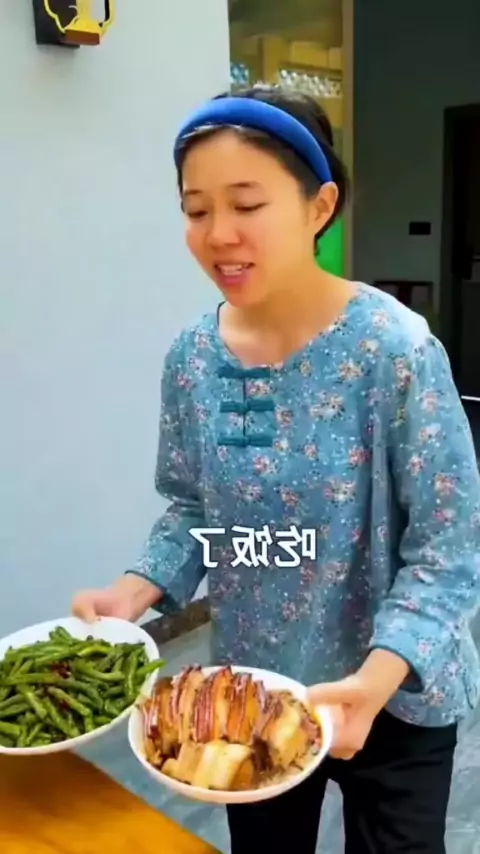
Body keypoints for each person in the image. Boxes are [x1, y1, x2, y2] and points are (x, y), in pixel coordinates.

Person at [72, 86, 480, 853]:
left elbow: (448, 548)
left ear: (319, 207)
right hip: (253, 689)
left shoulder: (393, 352)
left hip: (393, 693)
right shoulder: (193, 358)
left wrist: (377, 678)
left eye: (247, 204)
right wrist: (139, 587)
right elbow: (194, 506)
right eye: (196, 210)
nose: (218, 234)